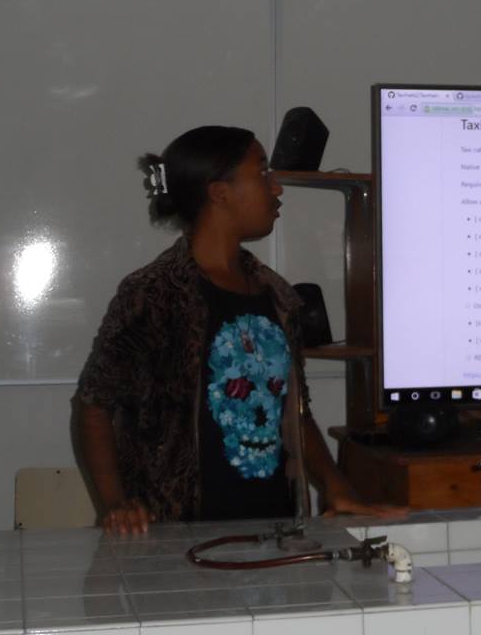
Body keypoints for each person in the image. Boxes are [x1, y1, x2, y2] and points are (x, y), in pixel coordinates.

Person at [77, 125, 399, 534]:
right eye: (262, 172)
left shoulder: (278, 295)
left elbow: (295, 412)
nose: (276, 188)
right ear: (219, 192)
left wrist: (338, 489)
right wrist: (117, 505)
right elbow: (94, 405)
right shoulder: (154, 294)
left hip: (276, 532)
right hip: (180, 539)